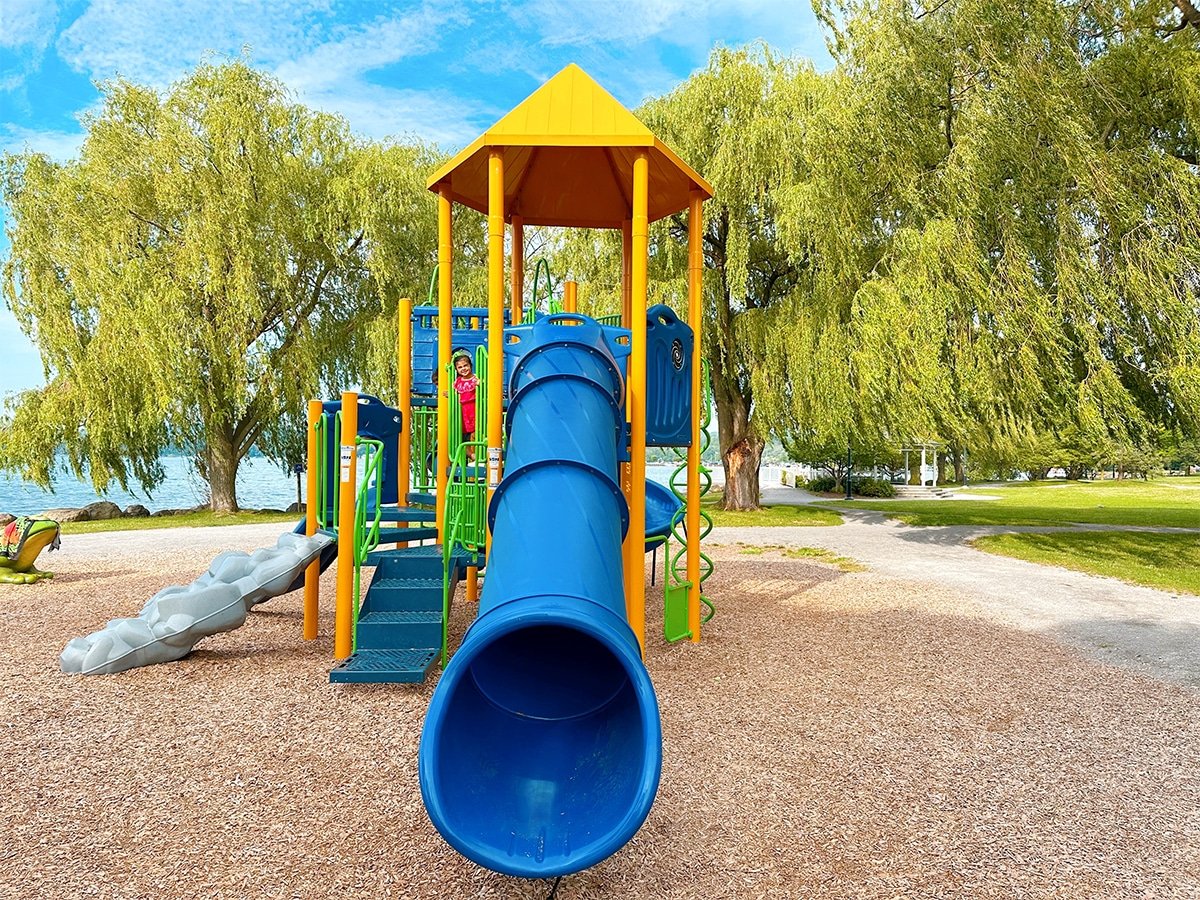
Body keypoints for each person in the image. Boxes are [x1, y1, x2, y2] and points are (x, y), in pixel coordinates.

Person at [452, 349, 479, 461]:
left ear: (470, 365)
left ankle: (477, 456)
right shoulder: (457, 381)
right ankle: (472, 456)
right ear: (457, 370)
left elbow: (481, 388)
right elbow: (454, 393)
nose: (463, 369)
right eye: (460, 367)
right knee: (461, 438)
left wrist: (479, 384)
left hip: (473, 411)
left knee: (474, 435)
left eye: (465, 365)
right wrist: (450, 394)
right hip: (462, 414)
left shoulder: (475, 379)